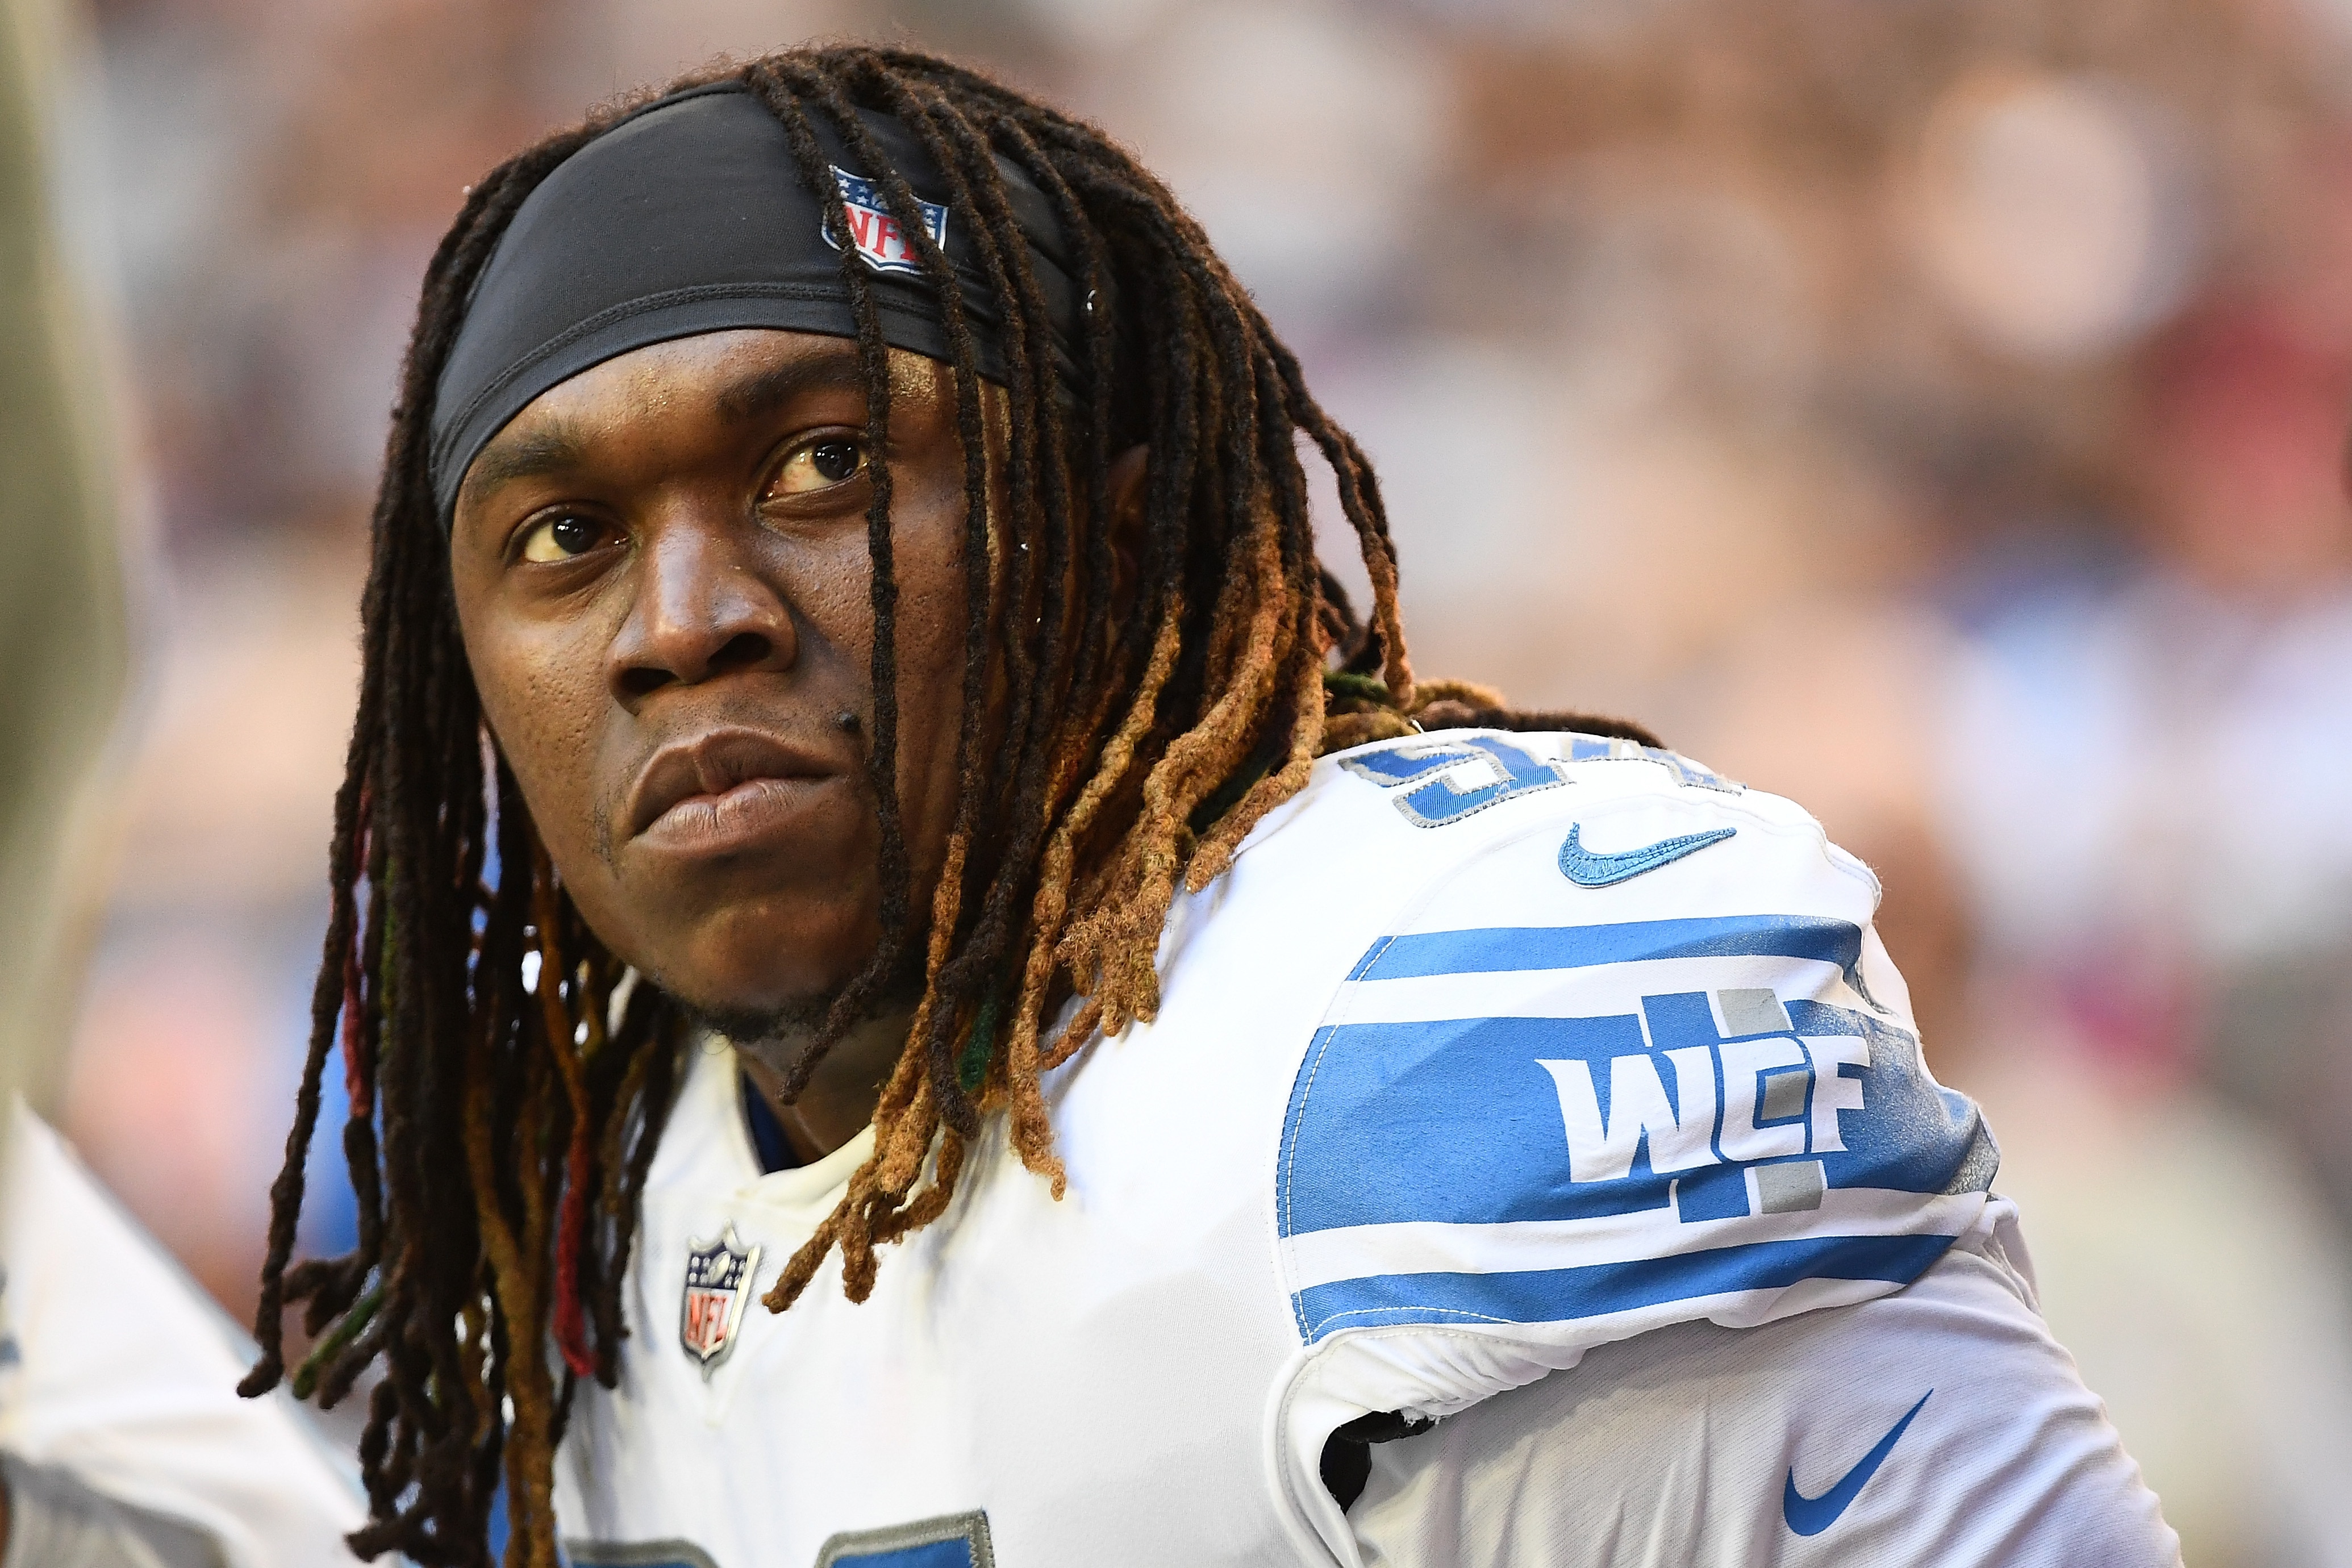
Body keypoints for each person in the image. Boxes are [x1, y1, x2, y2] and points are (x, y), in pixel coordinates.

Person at [242, 45, 2178, 1568]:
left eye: (822, 464)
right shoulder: (558, 1191)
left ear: (1109, 534)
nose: (683, 624)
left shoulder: (1429, 1040)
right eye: (564, 538)